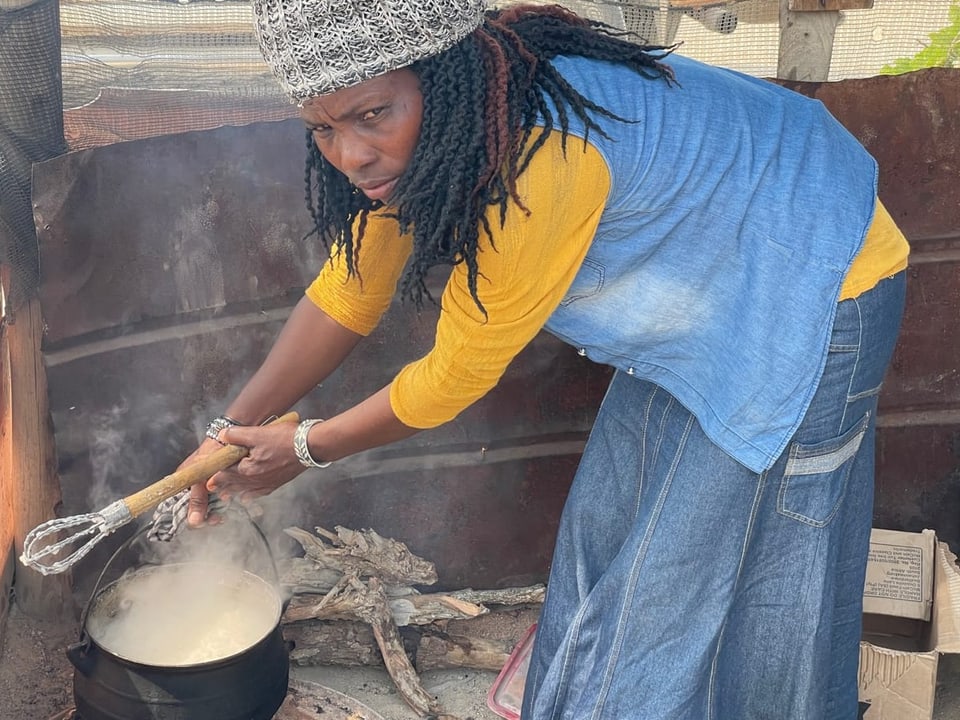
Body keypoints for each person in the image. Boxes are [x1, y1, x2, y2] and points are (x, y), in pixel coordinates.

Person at [175, 1, 909, 718]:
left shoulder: (536, 157)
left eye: (372, 116)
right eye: (322, 130)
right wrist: (232, 427)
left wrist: (305, 448)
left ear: (444, 71)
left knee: (691, 583)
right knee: (609, 534)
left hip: (816, 275)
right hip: (715, 292)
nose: (350, 155)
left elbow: (454, 375)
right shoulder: (449, 127)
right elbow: (351, 287)